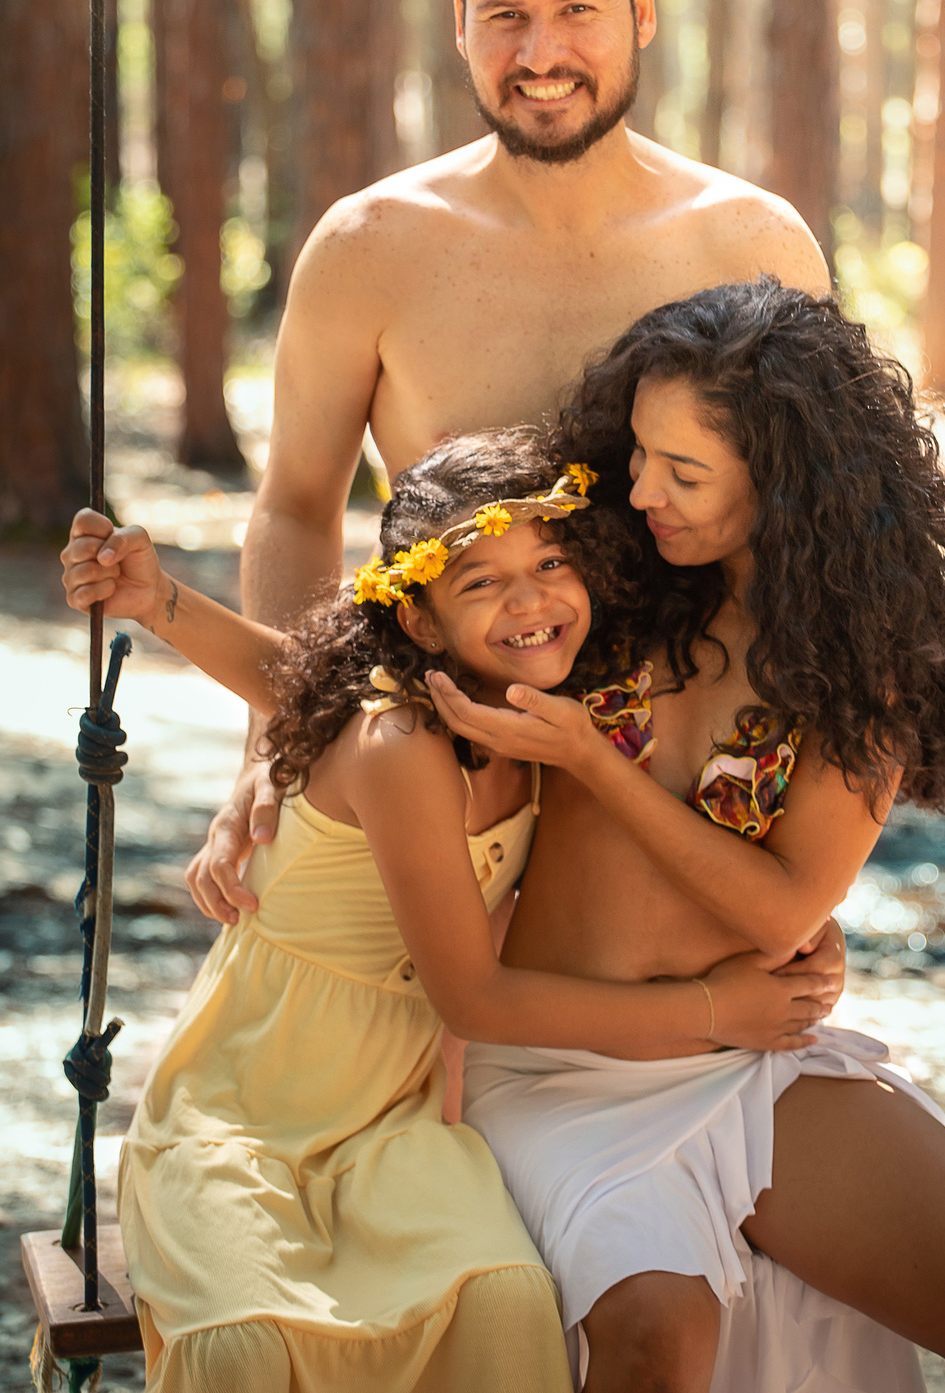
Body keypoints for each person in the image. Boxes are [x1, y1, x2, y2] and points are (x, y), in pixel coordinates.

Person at [61, 431, 822, 1393]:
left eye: (551, 562)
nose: (531, 599)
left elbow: (297, 677)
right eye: (481, 584)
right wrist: (720, 1010)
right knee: (245, 1343)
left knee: (503, 1300)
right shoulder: (402, 737)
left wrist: (800, 927)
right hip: (240, 1109)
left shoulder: (546, 714)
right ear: (420, 623)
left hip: (396, 1116)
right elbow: (474, 999)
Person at [425, 281, 945, 1393]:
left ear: (788, 485)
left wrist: (597, 761)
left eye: (684, 474)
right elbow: (384, 643)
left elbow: (785, 909)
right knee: (658, 1335)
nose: (642, 492)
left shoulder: (863, 654)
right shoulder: (603, 573)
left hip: (748, 1063)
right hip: (554, 1069)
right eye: (638, 453)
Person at [193, 0, 829, 926]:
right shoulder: (370, 246)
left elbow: (813, 541)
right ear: (459, 24)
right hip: (441, 777)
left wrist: (804, 873)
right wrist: (277, 749)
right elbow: (298, 507)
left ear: (641, 9)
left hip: (674, 804)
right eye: (504, 18)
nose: (541, 54)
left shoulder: (752, 241)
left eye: (578, 9)